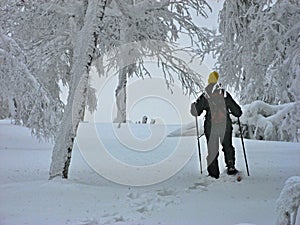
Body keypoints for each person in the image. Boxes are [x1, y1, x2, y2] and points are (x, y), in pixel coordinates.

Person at [190, 71, 242, 179]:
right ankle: (231, 167)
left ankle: (213, 174)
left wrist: (193, 106)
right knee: (228, 146)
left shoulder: (206, 95)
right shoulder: (224, 94)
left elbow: (196, 112)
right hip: (225, 126)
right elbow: (238, 112)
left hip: (211, 128)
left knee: (212, 150)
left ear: (209, 81)